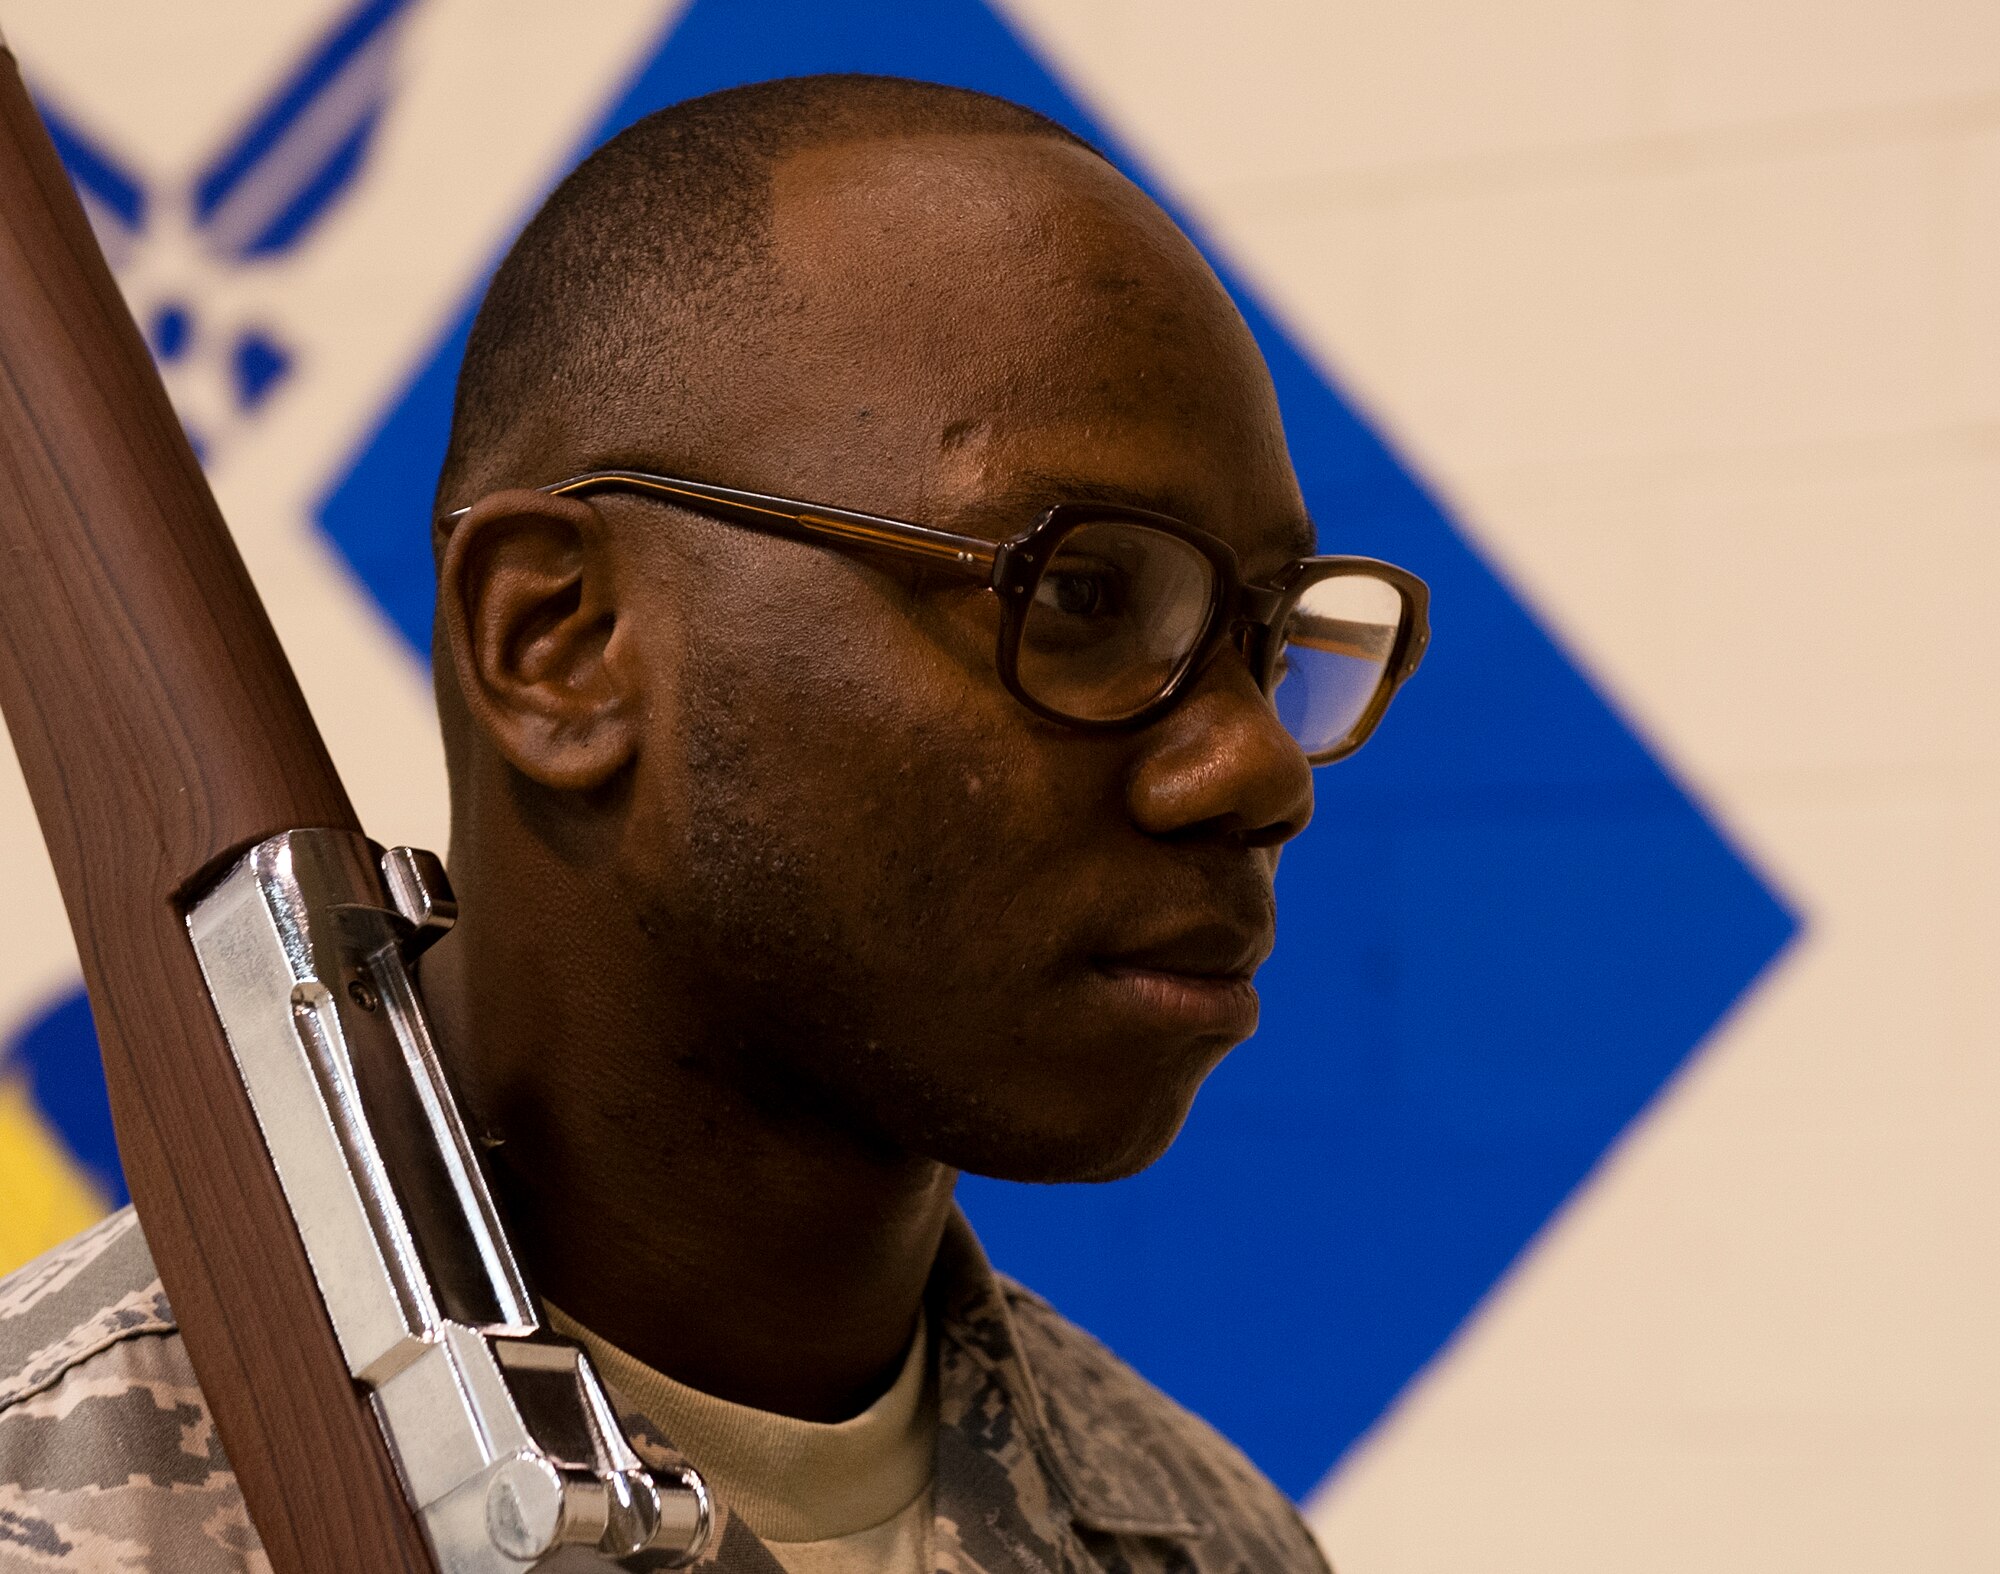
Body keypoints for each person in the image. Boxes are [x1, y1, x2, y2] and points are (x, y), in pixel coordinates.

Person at [0, 74, 1425, 1573]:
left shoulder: (1213, 1542)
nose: (1260, 772)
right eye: (1078, 596)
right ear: (556, 641)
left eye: (1264, 644)